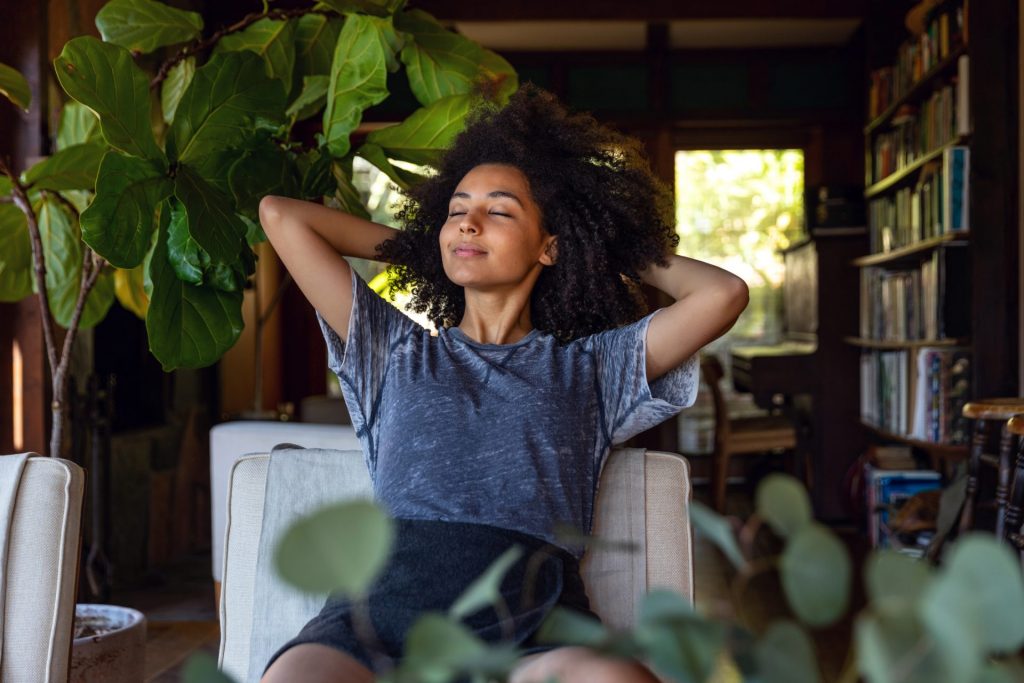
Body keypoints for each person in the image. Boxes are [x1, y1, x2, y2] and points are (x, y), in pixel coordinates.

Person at [257, 84, 749, 683]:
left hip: (531, 625)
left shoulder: (593, 368)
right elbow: (281, 216)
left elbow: (722, 294)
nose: (468, 222)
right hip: (378, 616)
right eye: (456, 209)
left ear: (548, 246)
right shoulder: (393, 351)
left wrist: (598, 244)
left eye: (499, 211)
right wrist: (426, 247)